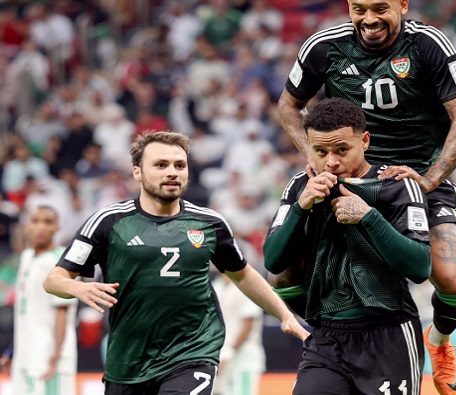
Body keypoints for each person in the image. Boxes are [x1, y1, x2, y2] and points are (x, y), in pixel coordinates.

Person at [277, 0, 456, 395]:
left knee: (454, 280)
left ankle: (440, 340)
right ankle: (325, 332)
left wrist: (429, 178)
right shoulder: (323, 47)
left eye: (380, 9)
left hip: (416, 180)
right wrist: (313, 157)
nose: (369, 19)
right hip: (347, 178)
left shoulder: (426, 44)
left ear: (403, 5)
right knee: (282, 276)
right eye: (359, 9)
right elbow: (288, 106)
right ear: (348, 7)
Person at [43, 131, 308, 395]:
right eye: (161, 165)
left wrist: (284, 315)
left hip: (192, 352)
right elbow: (54, 280)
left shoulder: (209, 223)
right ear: (137, 172)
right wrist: (78, 288)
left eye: (179, 165)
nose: (172, 172)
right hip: (128, 362)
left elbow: (242, 274)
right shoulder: (109, 222)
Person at [263, 98, 432, 395]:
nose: (331, 162)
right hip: (327, 337)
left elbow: (420, 267)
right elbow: (273, 261)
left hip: (388, 334)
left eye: (341, 150)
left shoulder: (396, 184)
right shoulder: (301, 186)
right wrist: (301, 208)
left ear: (364, 141)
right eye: (320, 151)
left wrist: (369, 217)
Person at [4, 206, 78, 395]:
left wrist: (56, 357)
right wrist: (13, 351)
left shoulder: (63, 262)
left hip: (48, 358)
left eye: (48, 222)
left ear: (57, 227)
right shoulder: (27, 257)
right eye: (35, 221)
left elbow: (62, 311)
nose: (41, 227)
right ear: (26, 225)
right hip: (25, 356)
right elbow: (27, 311)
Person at [211, 273, 265, 395]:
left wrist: (229, 351)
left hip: (244, 356)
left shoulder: (248, 287)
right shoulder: (216, 286)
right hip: (219, 353)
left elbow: (248, 323)